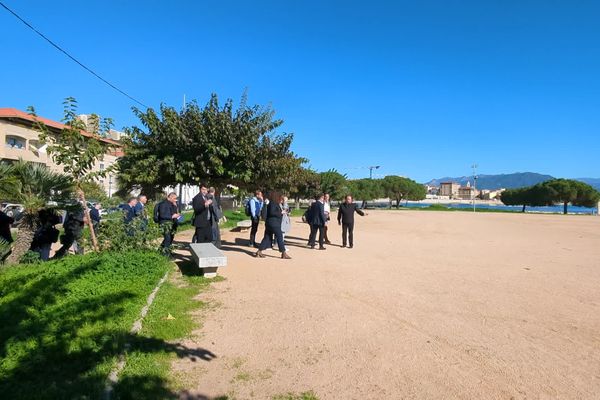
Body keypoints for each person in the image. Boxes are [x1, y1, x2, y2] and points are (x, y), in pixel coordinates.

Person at [255, 191, 291, 259]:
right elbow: (272, 212)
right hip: (274, 223)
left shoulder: (271, 203)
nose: (280, 198)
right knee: (280, 237)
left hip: (269, 223)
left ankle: (259, 251)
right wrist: (281, 213)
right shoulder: (273, 203)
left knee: (266, 237)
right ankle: (283, 253)